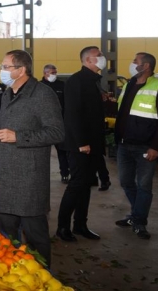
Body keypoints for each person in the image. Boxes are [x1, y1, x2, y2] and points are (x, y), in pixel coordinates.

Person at [0, 50, 64, 267]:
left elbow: (57, 132)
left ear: (21, 70)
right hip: (5, 172)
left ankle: (42, 277)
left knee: (35, 237)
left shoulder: (42, 94)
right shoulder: (7, 93)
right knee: (5, 235)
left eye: (6, 67)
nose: (2, 71)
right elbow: (7, 127)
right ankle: (13, 275)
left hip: (29, 177)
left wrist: (18, 137)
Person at [115, 52, 158, 239]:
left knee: (144, 186)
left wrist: (156, 146)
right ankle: (136, 214)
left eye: (135, 61)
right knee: (126, 182)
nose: (132, 64)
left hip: (145, 147)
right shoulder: (129, 84)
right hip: (124, 144)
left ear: (146, 66)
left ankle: (139, 221)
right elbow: (122, 111)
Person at [56, 46, 107, 242]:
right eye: (99, 56)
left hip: (92, 144)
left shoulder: (94, 81)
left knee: (86, 185)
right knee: (76, 185)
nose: (102, 58)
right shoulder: (77, 81)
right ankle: (62, 227)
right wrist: (82, 143)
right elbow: (73, 115)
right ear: (88, 60)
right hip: (80, 145)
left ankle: (80, 225)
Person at [40, 64, 70, 183]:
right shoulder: (39, 86)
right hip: (42, 125)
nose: (54, 75)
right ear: (45, 73)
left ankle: (65, 173)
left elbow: (67, 104)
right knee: (41, 152)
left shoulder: (61, 85)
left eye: (55, 72)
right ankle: (40, 176)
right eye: (52, 73)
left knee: (62, 151)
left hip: (58, 124)